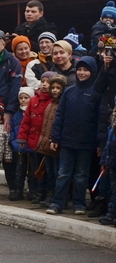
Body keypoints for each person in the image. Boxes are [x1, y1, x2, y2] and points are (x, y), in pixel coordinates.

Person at [47, 57, 101, 215]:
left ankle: (79, 203)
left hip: (86, 142)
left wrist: (98, 143)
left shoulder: (96, 93)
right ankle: (57, 203)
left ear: (92, 72)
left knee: (81, 174)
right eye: (79, 69)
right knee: (63, 173)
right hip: (67, 141)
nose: (82, 73)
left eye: (86, 70)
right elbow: (60, 116)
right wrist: (55, 138)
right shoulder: (69, 91)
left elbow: (99, 119)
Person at [17, 73, 55, 203]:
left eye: (48, 82)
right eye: (42, 81)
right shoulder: (34, 100)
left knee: (48, 169)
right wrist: (22, 138)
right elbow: (26, 121)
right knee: (36, 169)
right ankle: (38, 192)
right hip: (34, 140)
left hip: (47, 141)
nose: (44, 84)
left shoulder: (54, 101)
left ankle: (49, 193)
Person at [33, 74, 67, 207]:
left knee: (57, 171)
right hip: (46, 144)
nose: (54, 90)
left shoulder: (62, 104)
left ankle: (57, 197)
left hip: (56, 143)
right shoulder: (50, 103)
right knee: (49, 171)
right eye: (53, 88)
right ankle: (49, 194)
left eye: (58, 88)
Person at [7, 87, 35, 200]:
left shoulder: (34, 113)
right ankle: (18, 191)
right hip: (19, 147)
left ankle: (32, 191)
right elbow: (12, 130)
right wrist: (14, 142)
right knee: (19, 170)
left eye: (26, 98)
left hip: (31, 147)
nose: (23, 100)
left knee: (32, 171)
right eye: (21, 98)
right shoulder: (16, 115)